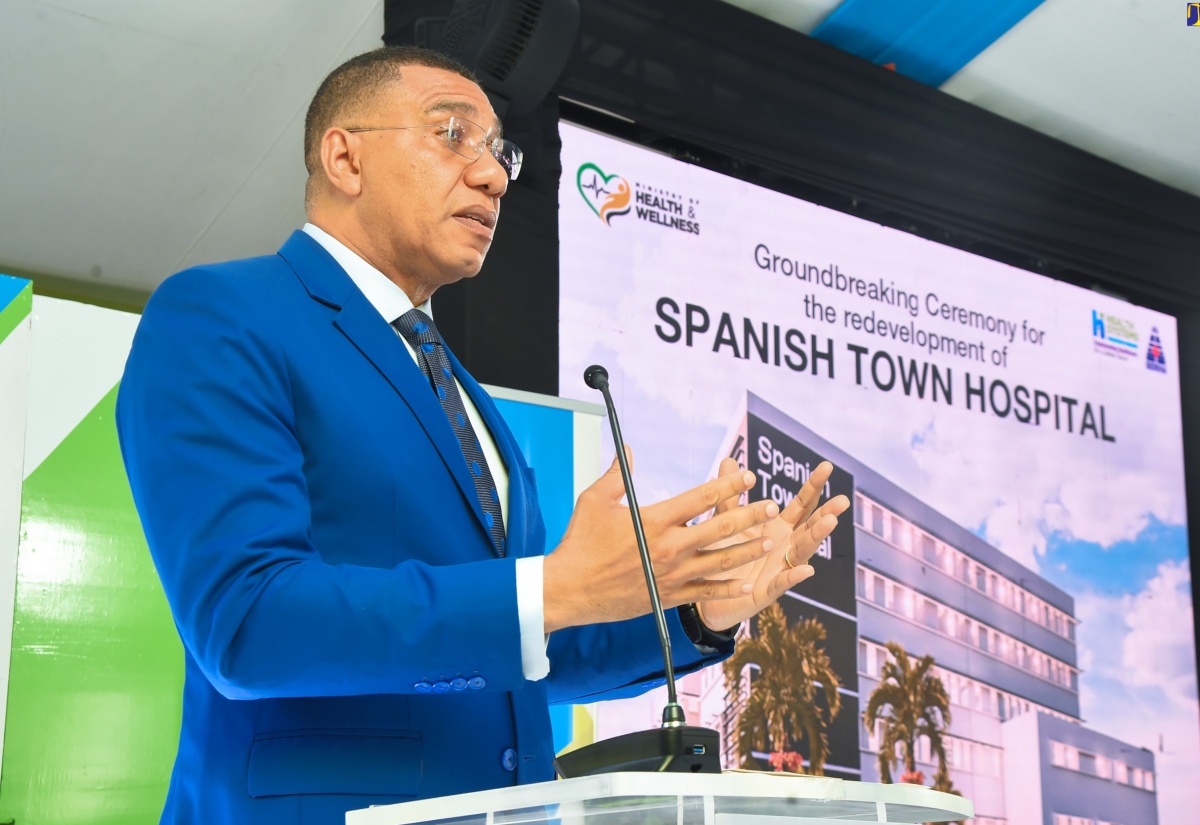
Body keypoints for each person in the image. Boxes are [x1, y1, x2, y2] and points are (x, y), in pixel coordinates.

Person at [116, 46, 849, 824]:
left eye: (500, 152)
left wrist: (704, 610)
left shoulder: (460, 391)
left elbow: (525, 647)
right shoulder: (222, 315)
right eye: (452, 135)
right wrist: (553, 587)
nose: (495, 175)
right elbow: (248, 620)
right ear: (344, 156)